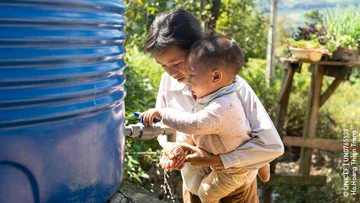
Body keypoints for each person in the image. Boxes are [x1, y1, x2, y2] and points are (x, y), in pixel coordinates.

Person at [143, 9, 284, 203]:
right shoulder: (168, 82)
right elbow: (166, 129)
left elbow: (271, 147)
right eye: (164, 66)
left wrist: (215, 160)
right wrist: (171, 148)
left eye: (177, 63)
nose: (171, 73)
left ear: (197, 50)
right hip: (193, 187)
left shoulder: (233, 88)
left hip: (235, 191)